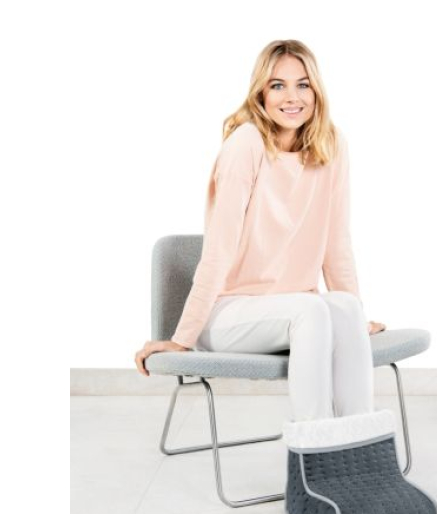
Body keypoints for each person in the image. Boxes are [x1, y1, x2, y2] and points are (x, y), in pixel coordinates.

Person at [135, 39, 386, 421]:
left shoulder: (331, 145)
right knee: (311, 310)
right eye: (278, 85)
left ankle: (357, 441)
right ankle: (314, 446)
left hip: (294, 309)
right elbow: (218, 251)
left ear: (316, 91)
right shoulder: (246, 144)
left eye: (303, 85)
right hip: (228, 313)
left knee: (345, 307)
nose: (292, 97)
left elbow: (336, 244)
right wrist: (181, 339)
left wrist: (353, 320)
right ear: (261, 93)